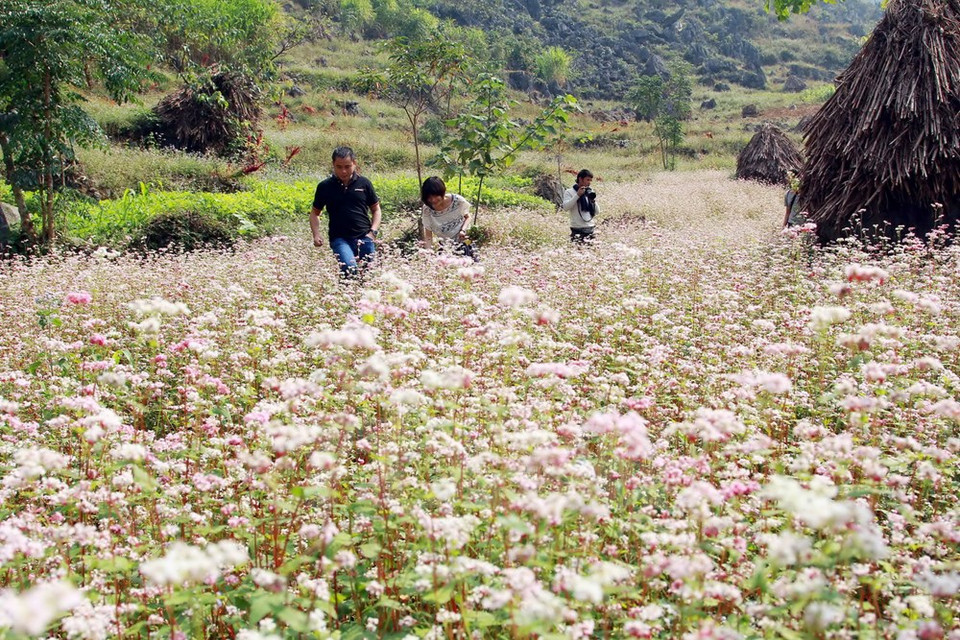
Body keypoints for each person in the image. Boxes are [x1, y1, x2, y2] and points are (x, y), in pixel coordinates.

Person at [310, 146, 382, 277]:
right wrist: (316, 235)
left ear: (354, 163)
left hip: (365, 237)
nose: (343, 171)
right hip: (340, 238)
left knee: (368, 274)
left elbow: (376, 209)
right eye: (339, 167)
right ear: (333, 165)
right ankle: (346, 294)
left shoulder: (364, 183)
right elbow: (315, 213)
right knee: (349, 269)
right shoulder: (325, 187)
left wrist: (373, 232)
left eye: (347, 166)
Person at [420, 176, 476, 260]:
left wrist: (463, 230)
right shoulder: (427, 210)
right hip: (445, 248)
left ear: (442, 192)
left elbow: (468, 217)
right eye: (429, 197)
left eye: (435, 196)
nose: (433, 200)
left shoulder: (457, 201)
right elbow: (428, 235)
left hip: (463, 243)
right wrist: (429, 253)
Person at [562, 169, 599, 243]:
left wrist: (593, 200)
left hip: (590, 227)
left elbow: (597, 212)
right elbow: (566, 207)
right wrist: (577, 195)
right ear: (580, 179)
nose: (589, 183)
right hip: (577, 228)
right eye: (587, 180)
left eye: (590, 180)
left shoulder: (589, 192)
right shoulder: (569, 192)